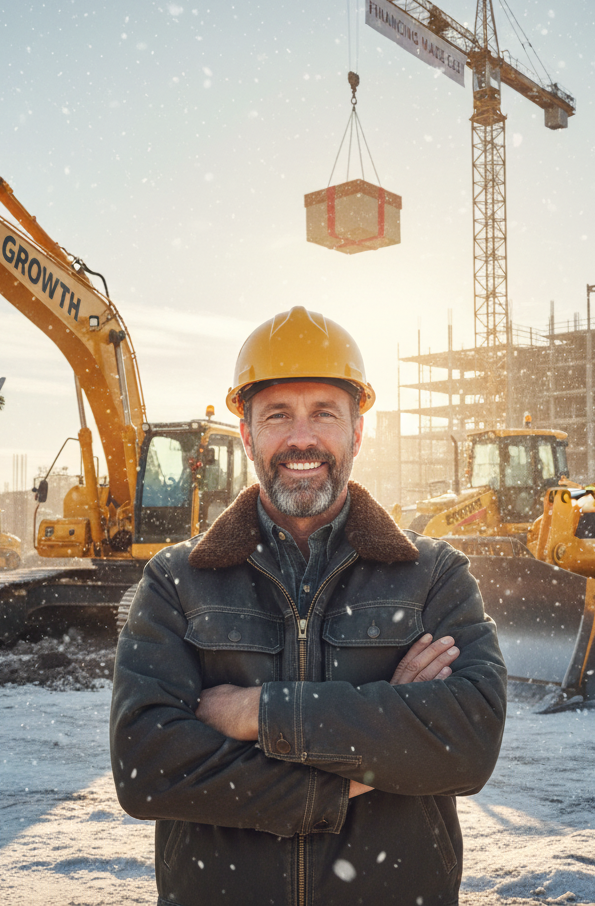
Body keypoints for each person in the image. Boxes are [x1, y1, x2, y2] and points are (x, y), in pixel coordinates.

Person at [110, 306, 507, 906]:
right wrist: (362, 761)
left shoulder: (432, 576)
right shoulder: (176, 580)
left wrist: (257, 713)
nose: (302, 438)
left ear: (357, 431)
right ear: (246, 433)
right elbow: (146, 767)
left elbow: (469, 744)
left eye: (324, 413)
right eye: (278, 416)